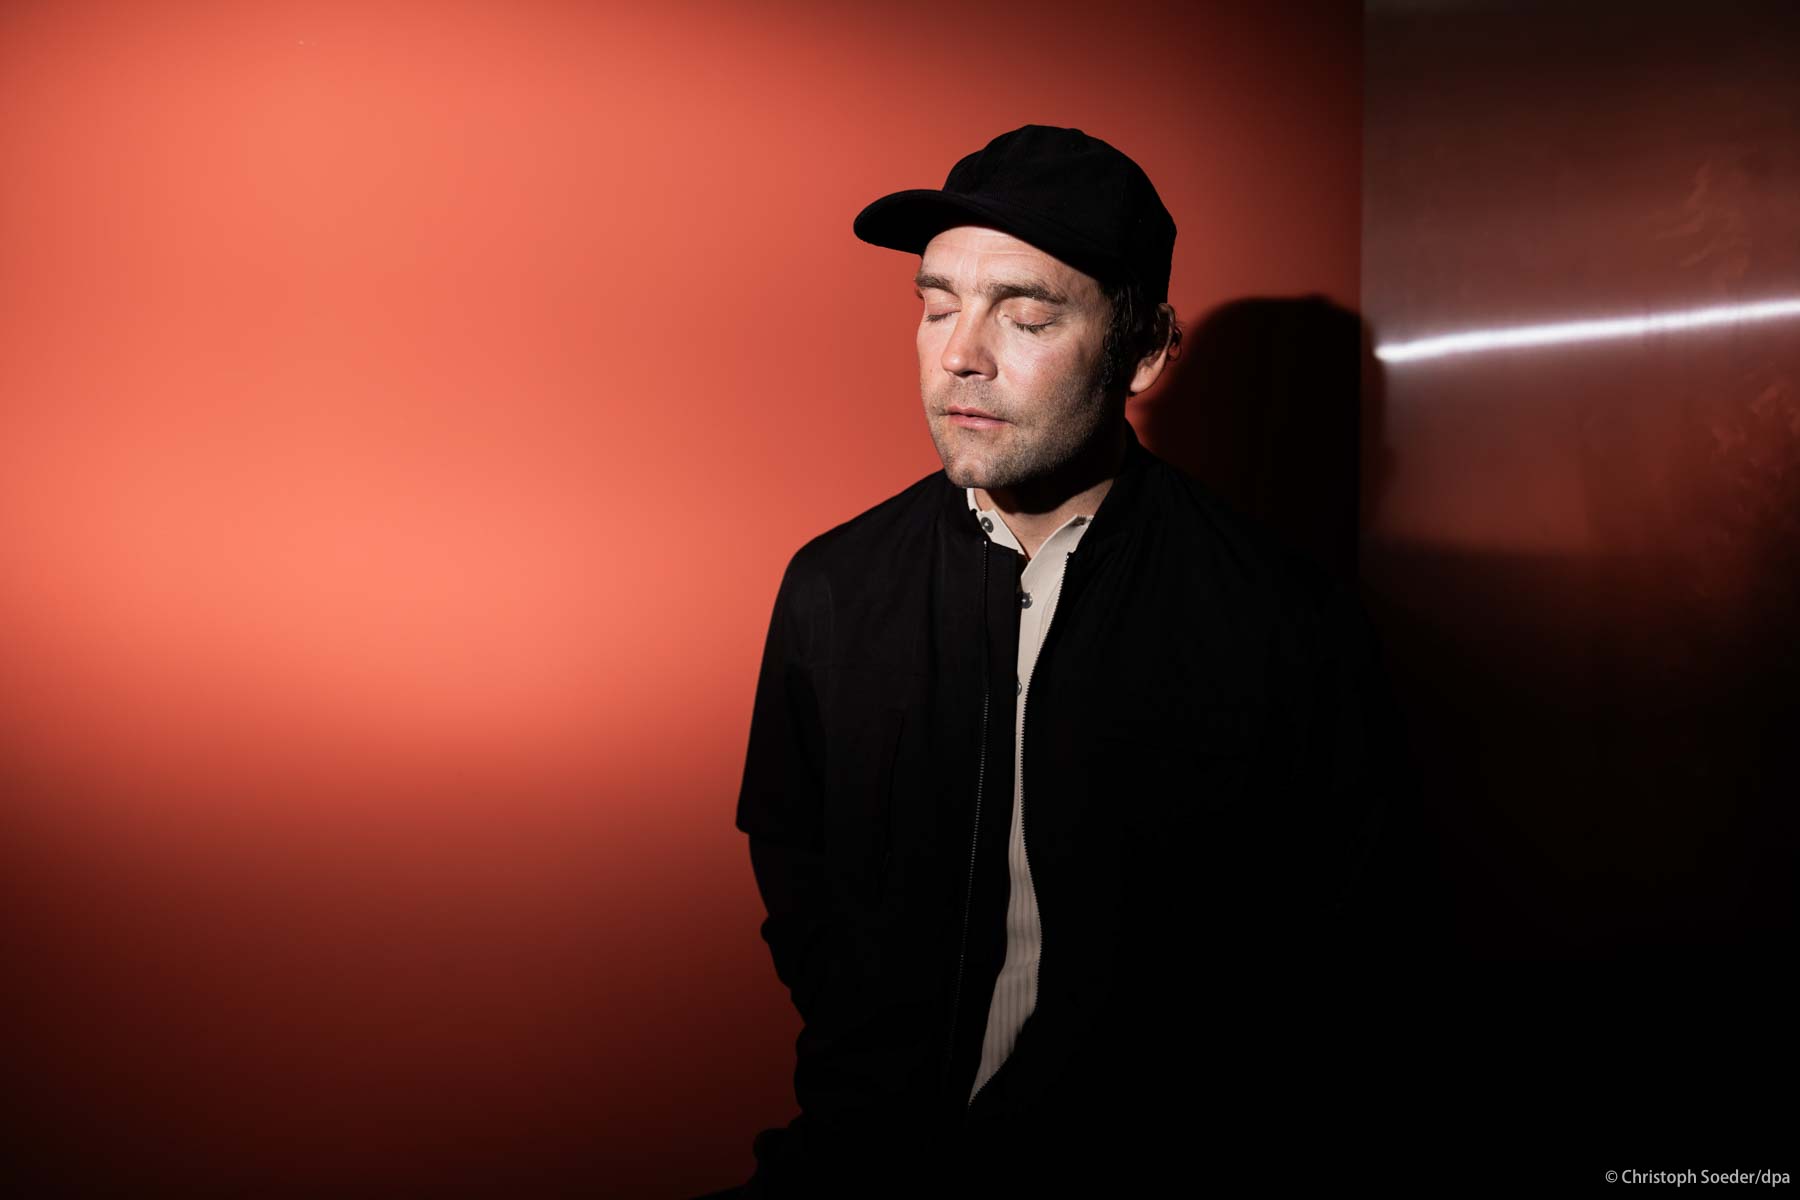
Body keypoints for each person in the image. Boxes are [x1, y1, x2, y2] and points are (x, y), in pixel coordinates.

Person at [722, 125, 1401, 1198]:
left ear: (1146, 353)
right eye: (937, 306)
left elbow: (1341, 958)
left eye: (1026, 316)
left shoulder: (1286, 623)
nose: (961, 354)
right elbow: (793, 865)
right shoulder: (834, 587)